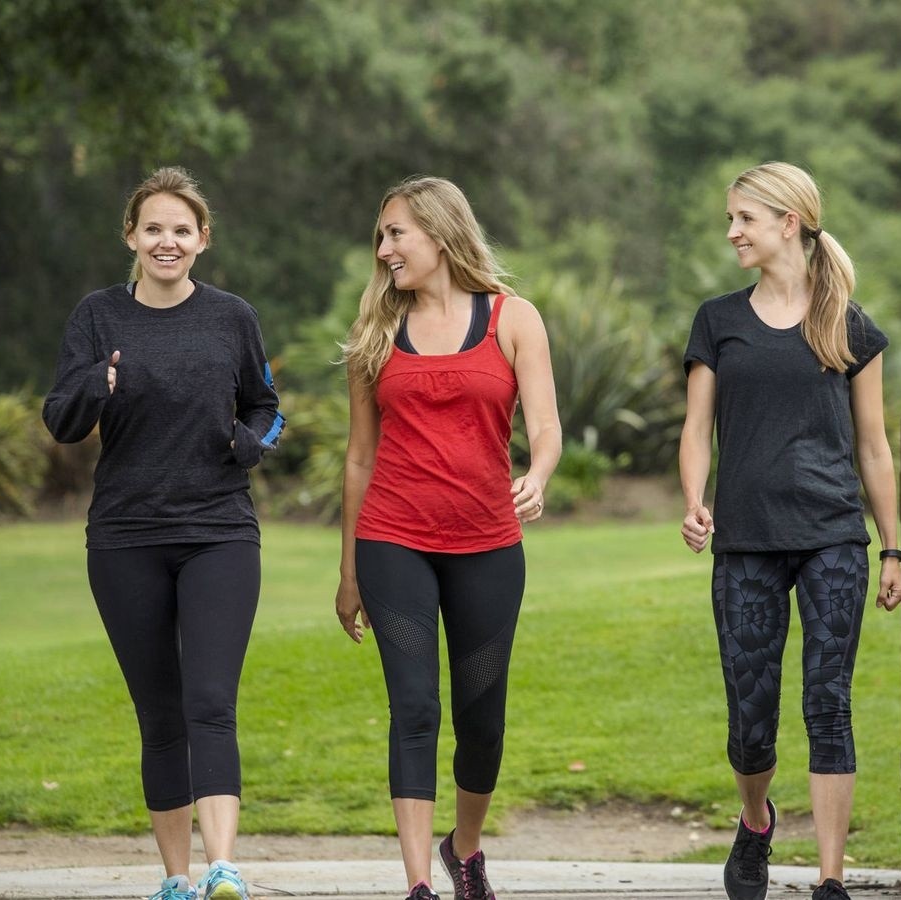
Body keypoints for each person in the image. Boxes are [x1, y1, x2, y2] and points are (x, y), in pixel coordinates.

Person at [43, 166, 284, 900]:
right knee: (160, 713)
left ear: (203, 239)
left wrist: (249, 443)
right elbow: (60, 420)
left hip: (219, 532)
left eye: (181, 229)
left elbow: (267, 408)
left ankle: (222, 868)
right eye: (154, 228)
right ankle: (176, 879)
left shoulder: (232, 317)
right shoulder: (97, 317)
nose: (167, 241)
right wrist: (98, 384)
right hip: (125, 539)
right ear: (131, 236)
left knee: (211, 699)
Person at [678, 162, 901, 900]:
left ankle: (830, 878)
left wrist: (893, 545)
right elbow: (696, 428)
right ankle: (756, 820)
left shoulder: (848, 326)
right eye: (731, 218)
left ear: (788, 222)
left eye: (743, 217)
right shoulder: (718, 320)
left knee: (828, 700)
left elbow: (873, 447)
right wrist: (693, 497)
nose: (732, 231)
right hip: (745, 540)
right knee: (751, 717)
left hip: (834, 536)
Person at [333, 176, 561, 900]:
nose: (385, 248)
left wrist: (541, 472)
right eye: (382, 235)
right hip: (393, 539)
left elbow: (546, 426)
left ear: (439, 232)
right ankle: (418, 887)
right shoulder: (375, 330)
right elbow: (359, 457)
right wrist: (348, 573)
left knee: (481, 716)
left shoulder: (513, 317)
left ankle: (462, 849)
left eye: (396, 232)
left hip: (488, 544)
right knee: (415, 707)